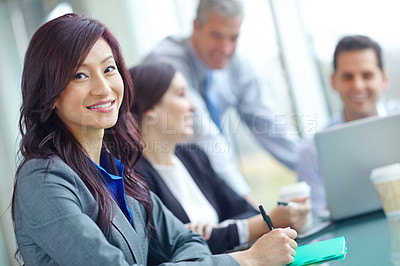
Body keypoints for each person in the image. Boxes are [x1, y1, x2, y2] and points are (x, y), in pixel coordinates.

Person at [11, 13, 298, 266]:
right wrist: (246, 260)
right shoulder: (44, 180)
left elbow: (189, 242)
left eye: (109, 69)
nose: (103, 88)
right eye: (80, 75)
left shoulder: (119, 173)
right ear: (48, 93)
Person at [130, 62, 310, 254]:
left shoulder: (193, 156)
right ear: (150, 108)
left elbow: (243, 210)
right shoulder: (134, 179)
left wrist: (218, 232)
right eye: (181, 94)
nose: (192, 106)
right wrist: (264, 222)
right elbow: (181, 247)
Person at [143, 0, 301, 201]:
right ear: (196, 27)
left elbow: (269, 124)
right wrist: (246, 202)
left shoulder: (238, 65)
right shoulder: (166, 63)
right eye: (216, 36)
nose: (225, 49)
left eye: (233, 38)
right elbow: (204, 134)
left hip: (211, 176)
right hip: (170, 183)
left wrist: (317, 167)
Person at [296, 35, 400, 216]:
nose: (358, 86)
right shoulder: (312, 152)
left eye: (367, 75)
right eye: (347, 77)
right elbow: (314, 216)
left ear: (384, 78)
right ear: (334, 81)